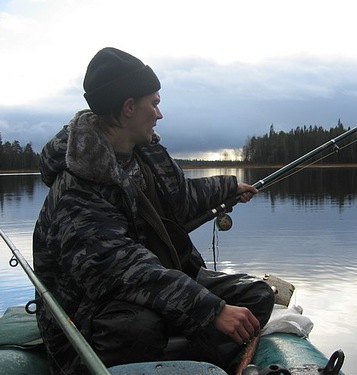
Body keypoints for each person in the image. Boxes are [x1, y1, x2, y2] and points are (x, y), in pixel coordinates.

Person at [33, 47, 275, 374]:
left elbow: (183, 197)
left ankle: (202, 361)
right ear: (129, 107)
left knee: (256, 296)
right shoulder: (77, 183)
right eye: (155, 103)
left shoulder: (146, 152)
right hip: (93, 314)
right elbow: (121, 268)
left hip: (151, 287)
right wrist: (211, 309)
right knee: (139, 329)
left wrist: (230, 186)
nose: (159, 114)